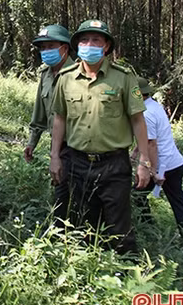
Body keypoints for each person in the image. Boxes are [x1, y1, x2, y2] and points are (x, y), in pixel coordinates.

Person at [50, 19, 153, 254]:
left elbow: (138, 120)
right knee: (82, 222)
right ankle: (91, 272)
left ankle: (127, 271)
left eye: (96, 40)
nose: (89, 44)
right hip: (76, 162)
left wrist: (144, 161)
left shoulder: (123, 78)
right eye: (84, 40)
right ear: (77, 45)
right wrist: (55, 156)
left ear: (106, 46)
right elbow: (59, 119)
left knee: (119, 226)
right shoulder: (65, 79)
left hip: (114, 164)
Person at [132, 77, 183, 249]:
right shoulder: (154, 105)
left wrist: (153, 172)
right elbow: (147, 138)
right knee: (177, 201)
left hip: (164, 165)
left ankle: (150, 228)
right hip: (175, 162)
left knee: (137, 194)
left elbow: (151, 144)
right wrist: (135, 152)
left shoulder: (146, 113)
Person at [24, 24, 75, 223]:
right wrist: (31, 142)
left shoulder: (78, 74)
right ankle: (61, 236)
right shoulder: (45, 75)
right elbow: (39, 114)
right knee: (60, 194)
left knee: (81, 196)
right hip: (58, 148)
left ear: (65, 48)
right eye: (43, 47)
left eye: (51, 46)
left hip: (79, 146)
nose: (46, 51)